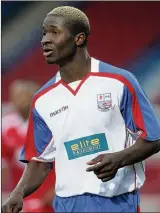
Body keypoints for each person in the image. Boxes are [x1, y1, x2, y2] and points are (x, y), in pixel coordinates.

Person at [2, 6, 160, 213]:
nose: (45, 40)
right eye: (44, 33)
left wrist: (119, 159)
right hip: (67, 205)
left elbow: (153, 139)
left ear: (79, 38)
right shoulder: (43, 99)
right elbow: (40, 161)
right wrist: (18, 192)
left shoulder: (120, 82)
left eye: (54, 32)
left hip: (117, 203)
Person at [2, 80, 55, 212]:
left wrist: (56, 188)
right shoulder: (6, 126)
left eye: (23, 96)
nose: (19, 101)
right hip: (22, 195)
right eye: (15, 96)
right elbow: (4, 162)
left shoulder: (49, 123)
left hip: (50, 193)